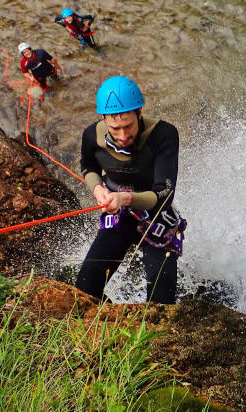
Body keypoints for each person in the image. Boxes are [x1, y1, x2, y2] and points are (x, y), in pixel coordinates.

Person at [76, 75, 184, 304]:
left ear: (140, 112)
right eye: (115, 128)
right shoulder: (91, 136)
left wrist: (125, 198)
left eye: (129, 126)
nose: (123, 136)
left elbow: (164, 194)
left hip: (157, 219)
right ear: (104, 118)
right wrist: (97, 190)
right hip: (118, 216)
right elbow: (88, 167)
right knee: (86, 288)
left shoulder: (163, 135)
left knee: (160, 304)